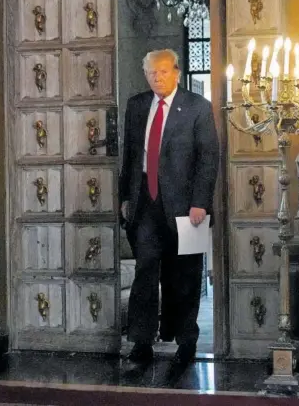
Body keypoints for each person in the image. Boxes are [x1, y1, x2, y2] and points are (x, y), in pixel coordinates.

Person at [119, 49, 219, 373]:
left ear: (176, 72)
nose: (158, 78)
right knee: (145, 270)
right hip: (145, 203)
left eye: (163, 72)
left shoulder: (197, 107)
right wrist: (125, 198)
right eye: (152, 73)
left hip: (189, 208)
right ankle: (141, 342)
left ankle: (185, 341)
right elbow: (130, 157)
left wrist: (201, 202)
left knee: (186, 275)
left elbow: (208, 157)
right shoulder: (136, 106)